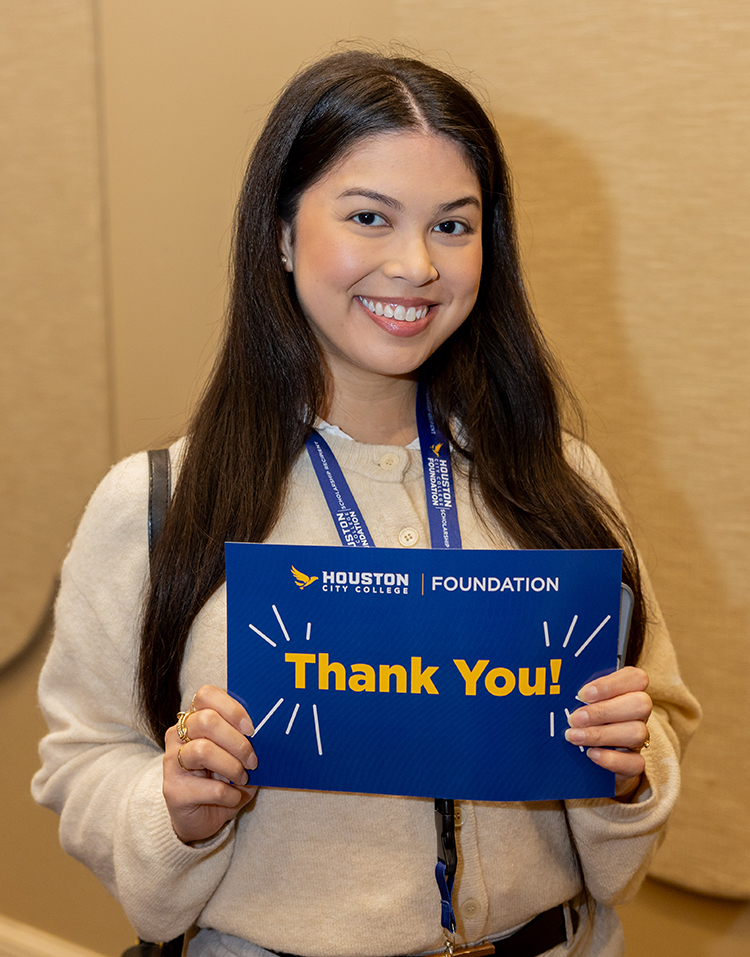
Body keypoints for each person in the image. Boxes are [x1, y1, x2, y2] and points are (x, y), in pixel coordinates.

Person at [32, 49, 699, 957]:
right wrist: (174, 807)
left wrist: (628, 769)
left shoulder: (561, 481)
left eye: (454, 226)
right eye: (368, 217)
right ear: (280, 233)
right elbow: (84, 755)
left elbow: (657, 717)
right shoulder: (157, 502)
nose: (416, 265)